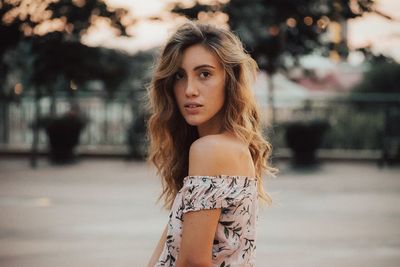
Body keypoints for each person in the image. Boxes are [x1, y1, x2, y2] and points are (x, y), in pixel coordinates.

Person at [146, 20, 278, 267]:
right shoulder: (228, 146)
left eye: (204, 74)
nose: (189, 90)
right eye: (179, 76)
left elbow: (193, 263)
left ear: (229, 80)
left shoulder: (211, 150)